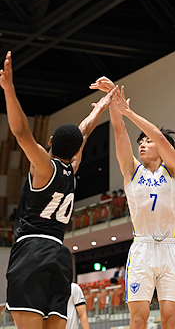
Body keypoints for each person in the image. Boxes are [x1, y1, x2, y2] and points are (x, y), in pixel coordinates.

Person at [0, 51, 115, 329]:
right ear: (76, 151)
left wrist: (9, 90)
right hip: (60, 255)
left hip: (31, 250)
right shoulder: (72, 169)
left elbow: (20, 132)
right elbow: (84, 131)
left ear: (50, 141)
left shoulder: (44, 167)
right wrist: (100, 107)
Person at [90, 77, 175, 329]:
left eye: (147, 141)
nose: (142, 144)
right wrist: (112, 99)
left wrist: (129, 111)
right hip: (142, 249)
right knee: (138, 319)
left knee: (170, 319)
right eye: (140, 142)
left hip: (171, 248)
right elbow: (120, 131)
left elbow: (162, 139)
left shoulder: (174, 169)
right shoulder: (132, 170)